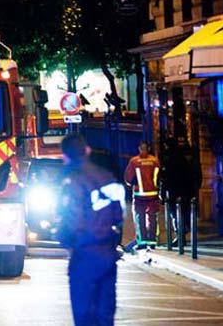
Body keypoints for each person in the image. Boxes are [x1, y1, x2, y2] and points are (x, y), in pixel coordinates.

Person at [57, 134, 125, 326]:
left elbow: (69, 221)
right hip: (108, 255)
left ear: (65, 156)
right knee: (105, 315)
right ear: (87, 151)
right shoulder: (108, 177)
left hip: (84, 255)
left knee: (85, 315)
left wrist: (66, 241)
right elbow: (119, 215)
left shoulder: (71, 182)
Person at [124, 141, 160, 249]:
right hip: (153, 193)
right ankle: (152, 241)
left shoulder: (134, 161)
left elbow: (128, 178)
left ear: (139, 148)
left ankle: (142, 241)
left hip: (139, 194)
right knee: (153, 217)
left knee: (140, 217)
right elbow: (160, 177)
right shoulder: (155, 160)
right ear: (148, 148)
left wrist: (131, 185)